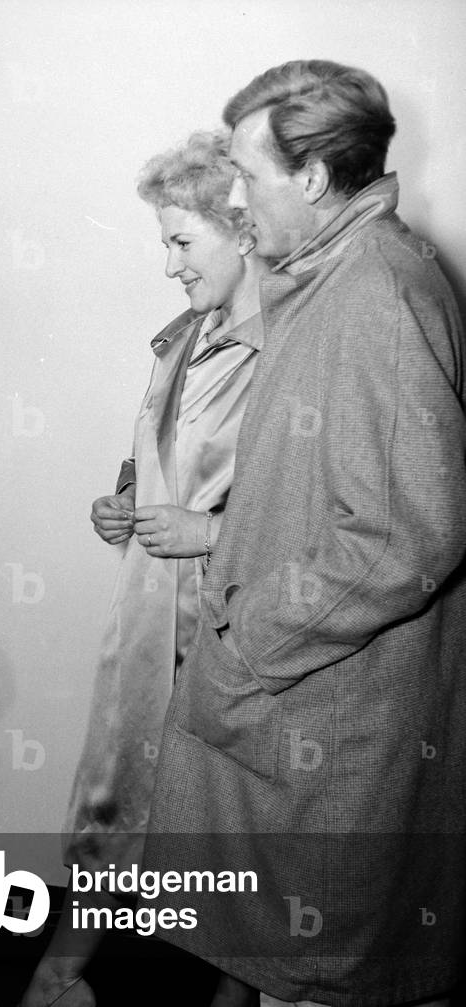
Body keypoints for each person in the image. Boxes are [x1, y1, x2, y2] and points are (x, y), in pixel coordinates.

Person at [144, 61, 466, 1007]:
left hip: (332, 710)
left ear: (315, 179)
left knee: (319, 973)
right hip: (309, 700)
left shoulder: (374, 291)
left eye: (248, 177)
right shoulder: (332, 279)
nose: (238, 199)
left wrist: (251, 640)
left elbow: (409, 533)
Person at [21, 130, 270, 1007]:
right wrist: (120, 499)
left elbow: (320, 508)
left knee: (235, 831)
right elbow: (166, 457)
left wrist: (208, 531)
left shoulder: (290, 349)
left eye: (180, 242)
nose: (167, 264)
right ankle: (57, 980)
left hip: (233, 629)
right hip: (147, 620)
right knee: (115, 801)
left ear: (241, 231)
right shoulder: (180, 337)